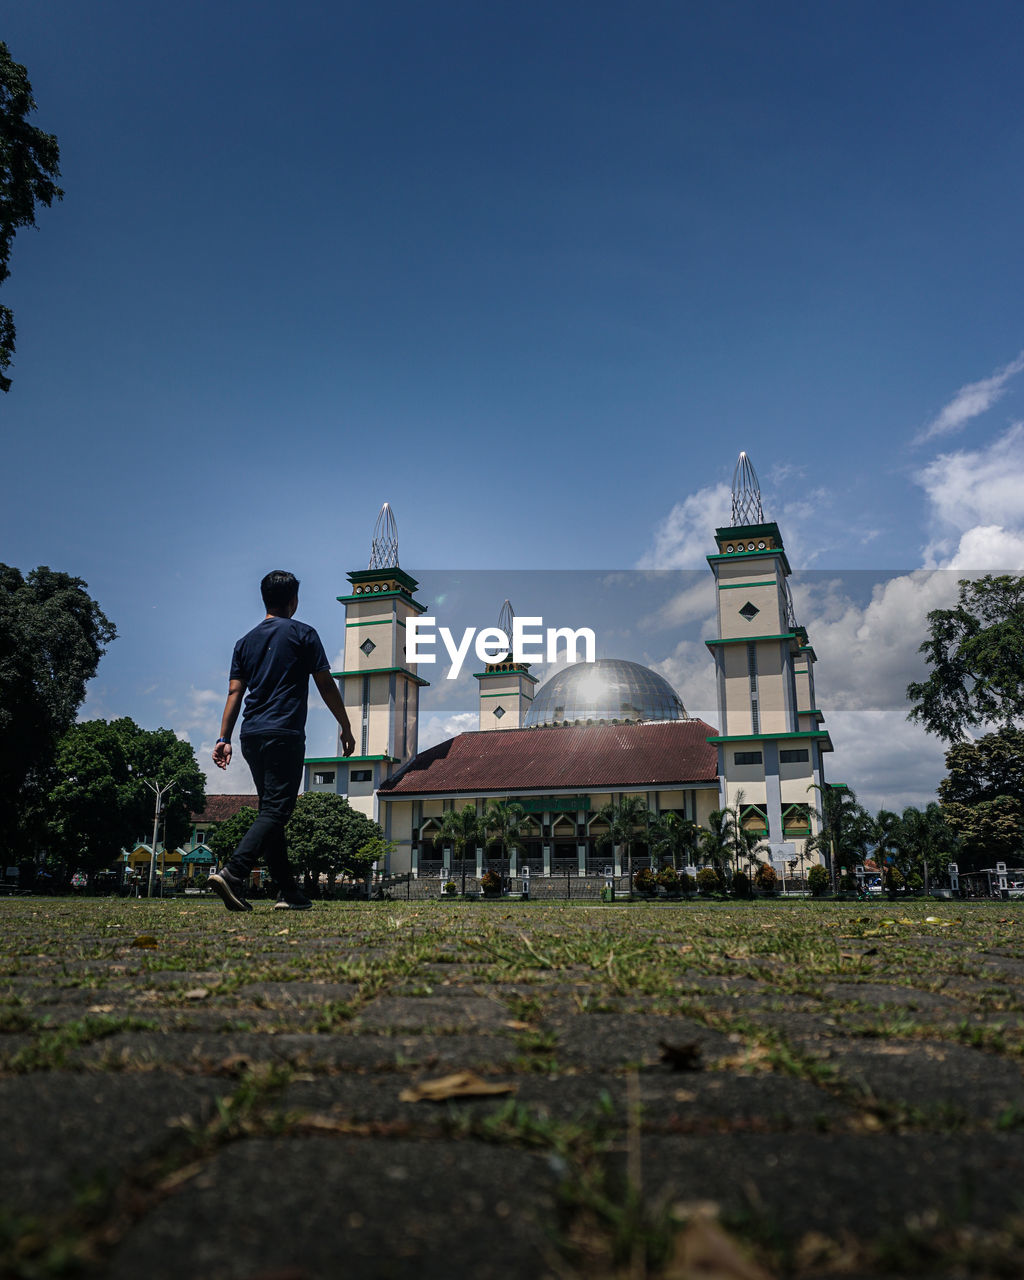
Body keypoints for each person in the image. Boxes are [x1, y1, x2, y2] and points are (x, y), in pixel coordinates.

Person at [209, 570, 355, 912]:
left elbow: (234, 691)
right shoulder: (303, 634)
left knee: (270, 812)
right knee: (278, 809)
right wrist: (346, 725)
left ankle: (289, 892)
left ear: (265, 599)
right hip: (284, 733)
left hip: (250, 734)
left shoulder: (244, 642)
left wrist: (223, 737)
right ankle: (234, 873)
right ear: (294, 600)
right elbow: (325, 683)